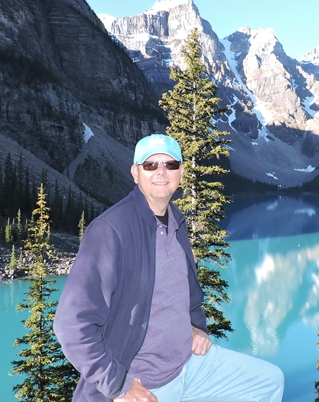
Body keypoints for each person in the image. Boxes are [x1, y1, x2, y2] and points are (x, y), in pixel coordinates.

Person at [54, 134, 284, 401]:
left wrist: (196, 327)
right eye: (150, 165)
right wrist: (119, 384)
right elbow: (71, 323)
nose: (161, 172)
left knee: (268, 382)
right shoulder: (111, 230)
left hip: (189, 366)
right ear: (135, 173)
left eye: (170, 164)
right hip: (142, 381)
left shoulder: (176, 221)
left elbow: (185, 296)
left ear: (181, 173)